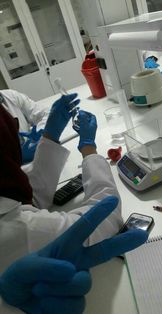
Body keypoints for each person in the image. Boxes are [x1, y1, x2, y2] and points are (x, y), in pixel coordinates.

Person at [0, 93, 145, 312]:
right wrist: (89, 149)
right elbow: (105, 217)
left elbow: (29, 197)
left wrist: (50, 136)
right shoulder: (18, 229)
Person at [0, 196, 148, 314]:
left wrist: (9, 303)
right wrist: (91, 158)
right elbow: (108, 219)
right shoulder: (15, 225)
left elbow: (37, 192)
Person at [0, 89, 50, 163]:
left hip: (37, 160)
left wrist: (40, 131)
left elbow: (45, 113)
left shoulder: (10, 96)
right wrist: (18, 158)